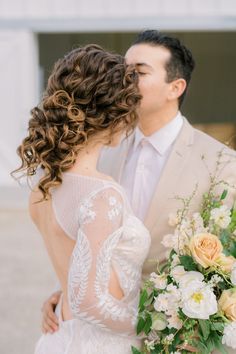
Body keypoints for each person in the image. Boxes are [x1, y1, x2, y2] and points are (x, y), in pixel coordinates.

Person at [42, 30, 236, 348]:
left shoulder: (221, 164)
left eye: (139, 72)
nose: (124, 81)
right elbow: (86, 241)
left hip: (177, 339)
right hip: (101, 332)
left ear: (176, 87)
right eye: (123, 71)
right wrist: (66, 292)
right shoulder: (99, 150)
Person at [14, 44, 151, 354]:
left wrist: (59, 296)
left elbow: (75, 276)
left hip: (59, 336)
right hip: (103, 344)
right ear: (113, 116)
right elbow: (88, 300)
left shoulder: (42, 189)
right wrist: (154, 323)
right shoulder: (102, 194)